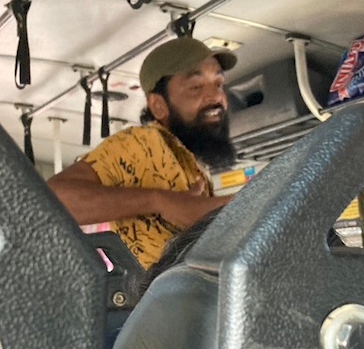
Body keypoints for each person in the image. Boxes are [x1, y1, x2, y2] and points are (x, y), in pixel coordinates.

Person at [48, 36, 238, 269]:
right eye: (195, 87)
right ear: (159, 105)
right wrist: (160, 201)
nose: (215, 97)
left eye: (218, 84)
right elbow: (53, 199)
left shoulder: (191, 161)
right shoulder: (142, 143)